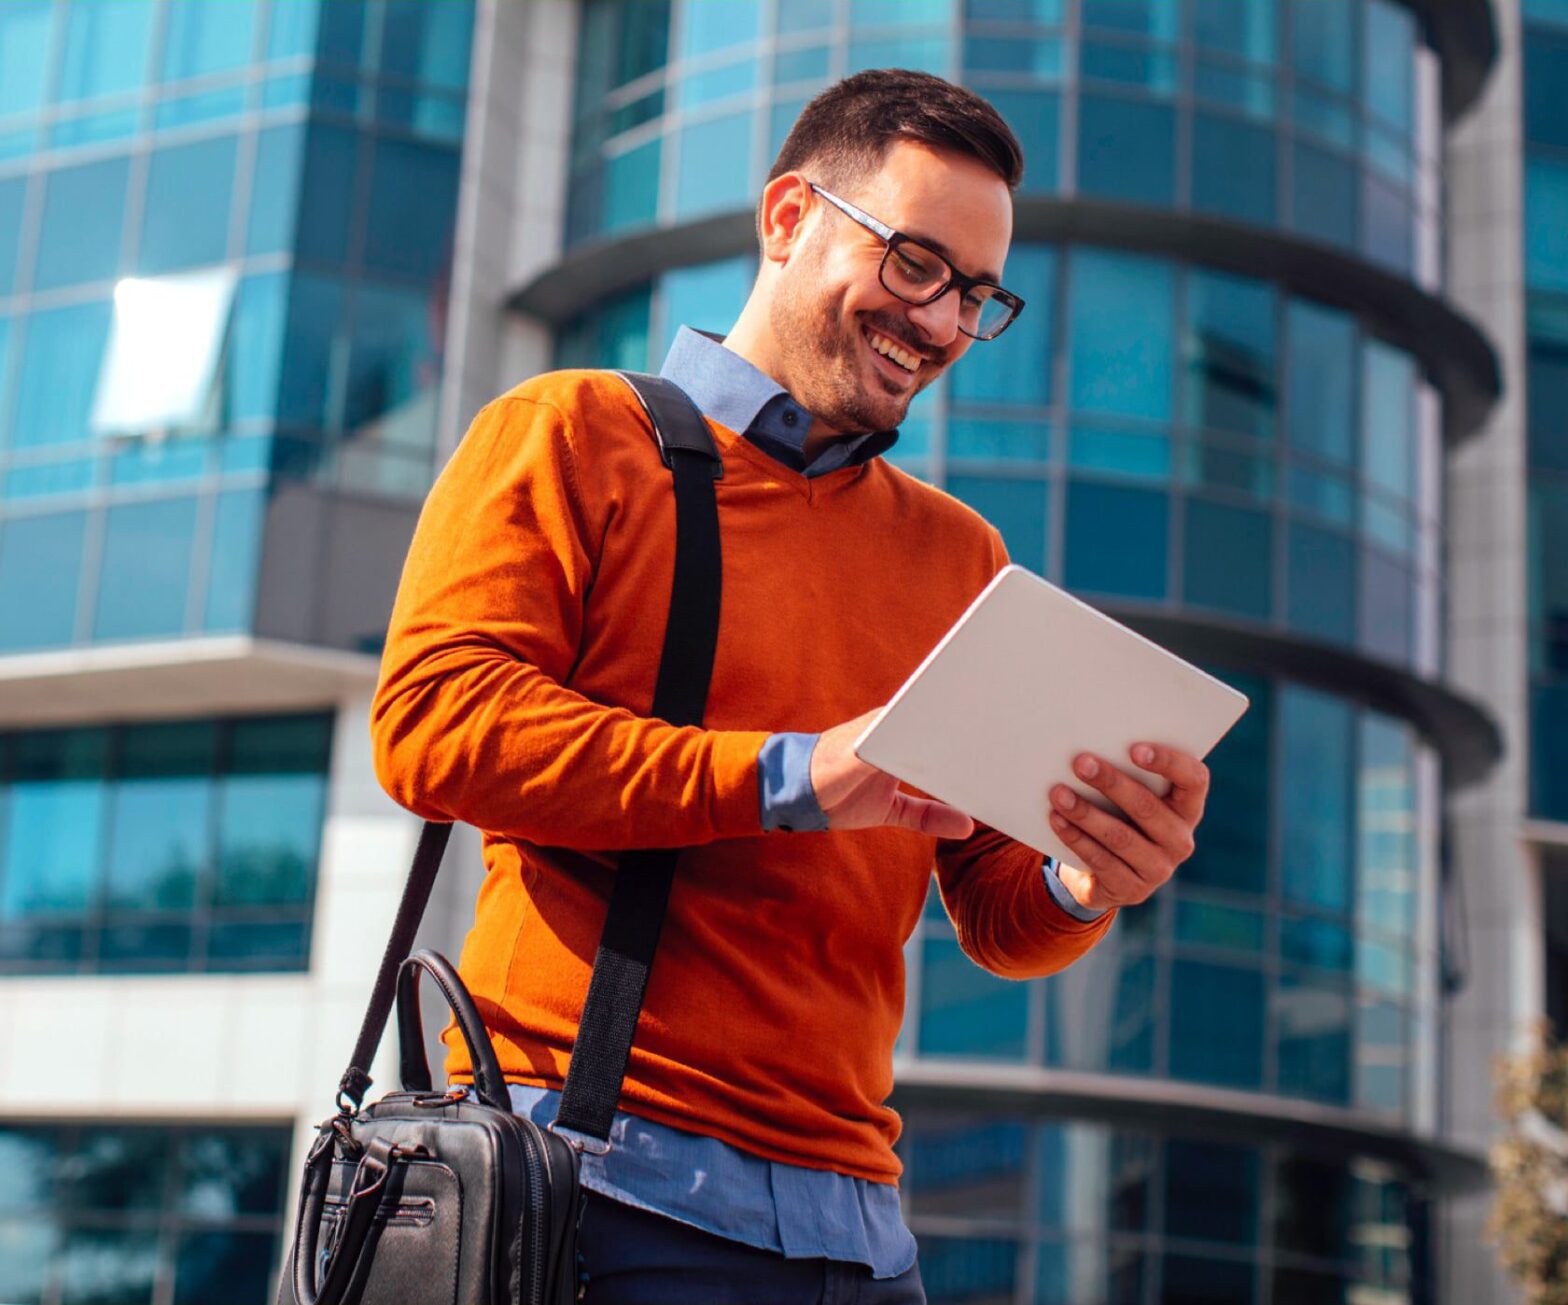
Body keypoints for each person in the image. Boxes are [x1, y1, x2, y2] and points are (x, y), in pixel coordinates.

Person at [370, 68, 1210, 1305]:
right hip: (598, 1184)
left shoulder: (956, 555)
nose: (938, 323)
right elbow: (434, 728)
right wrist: (796, 773)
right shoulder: (570, 431)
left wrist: (1085, 877)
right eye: (914, 263)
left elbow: (989, 908)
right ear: (785, 218)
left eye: (975, 295)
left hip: (856, 1231)